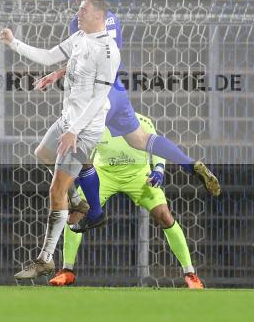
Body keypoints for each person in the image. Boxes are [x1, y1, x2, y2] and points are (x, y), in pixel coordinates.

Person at [34, 0, 220, 233]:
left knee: (56, 153)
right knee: (140, 140)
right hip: (117, 92)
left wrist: (58, 72)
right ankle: (191, 164)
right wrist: (58, 72)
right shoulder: (111, 17)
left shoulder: (79, 21)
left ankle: (91, 211)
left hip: (96, 99)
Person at [0, 0, 120, 279]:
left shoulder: (107, 50)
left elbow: (99, 97)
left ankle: (45, 259)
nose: (79, 12)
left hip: (85, 129)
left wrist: (75, 130)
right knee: (42, 153)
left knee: (56, 191)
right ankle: (78, 201)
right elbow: (49, 55)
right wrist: (14, 43)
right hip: (68, 120)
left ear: (100, 15)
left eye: (85, 9)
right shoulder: (79, 37)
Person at [49, 112, 204, 289]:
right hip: (105, 174)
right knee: (77, 214)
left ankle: (190, 273)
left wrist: (159, 169)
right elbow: (84, 154)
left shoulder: (142, 122)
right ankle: (66, 271)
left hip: (138, 175)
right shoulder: (97, 123)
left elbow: (157, 147)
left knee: (164, 215)